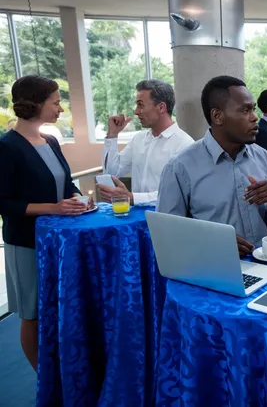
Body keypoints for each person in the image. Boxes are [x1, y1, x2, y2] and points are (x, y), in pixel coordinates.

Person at [0, 76, 90, 371]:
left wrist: (77, 198)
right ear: (35, 104)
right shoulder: (7, 147)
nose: (60, 108)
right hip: (25, 242)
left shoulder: (50, 141)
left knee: (56, 307)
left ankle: (58, 370)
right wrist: (53, 208)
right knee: (32, 312)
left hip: (57, 242)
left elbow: (65, 185)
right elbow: (4, 203)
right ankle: (43, 379)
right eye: (55, 102)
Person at [156, 76, 267, 257]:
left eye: (253, 109)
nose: (254, 117)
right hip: (213, 272)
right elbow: (166, 234)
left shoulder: (262, 157)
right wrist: (214, 243)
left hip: (264, 267)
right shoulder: (180, 168)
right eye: (245, 110)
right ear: (217, 116)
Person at [97, 79, 194, 205]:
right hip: (134, 219)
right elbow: (112, 173)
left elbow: (177, 193)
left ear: (161, 107)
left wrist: (133, 198)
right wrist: (112, 135)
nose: (136, 111)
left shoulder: (184, 145)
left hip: (164, 220)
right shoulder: (138, 139)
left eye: (140, 105)